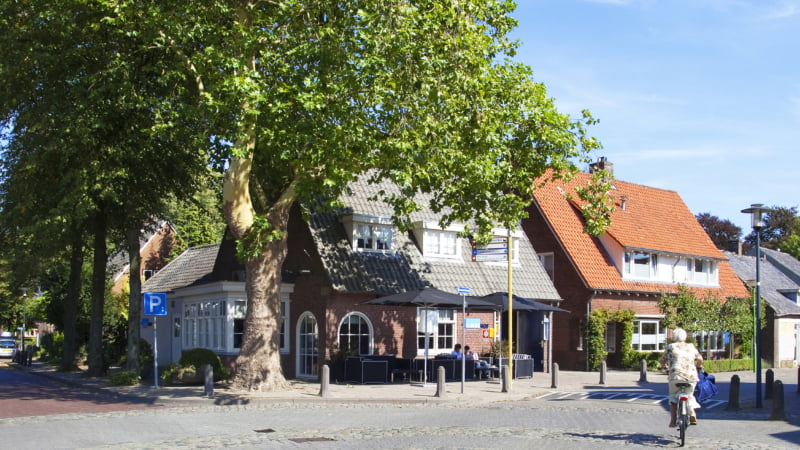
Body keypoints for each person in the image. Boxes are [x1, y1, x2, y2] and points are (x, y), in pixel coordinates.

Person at [659, 328, 703, 428]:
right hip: (691, 376)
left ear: (674, 337)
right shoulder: (691, 347)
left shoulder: (671, 347)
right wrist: (698, 367)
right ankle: (692, 417)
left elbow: (662, 360)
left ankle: (673, 421)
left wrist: (663, 367)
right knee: (690, 396)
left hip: (676, 376)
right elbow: (700, 359)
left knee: (673, 397)